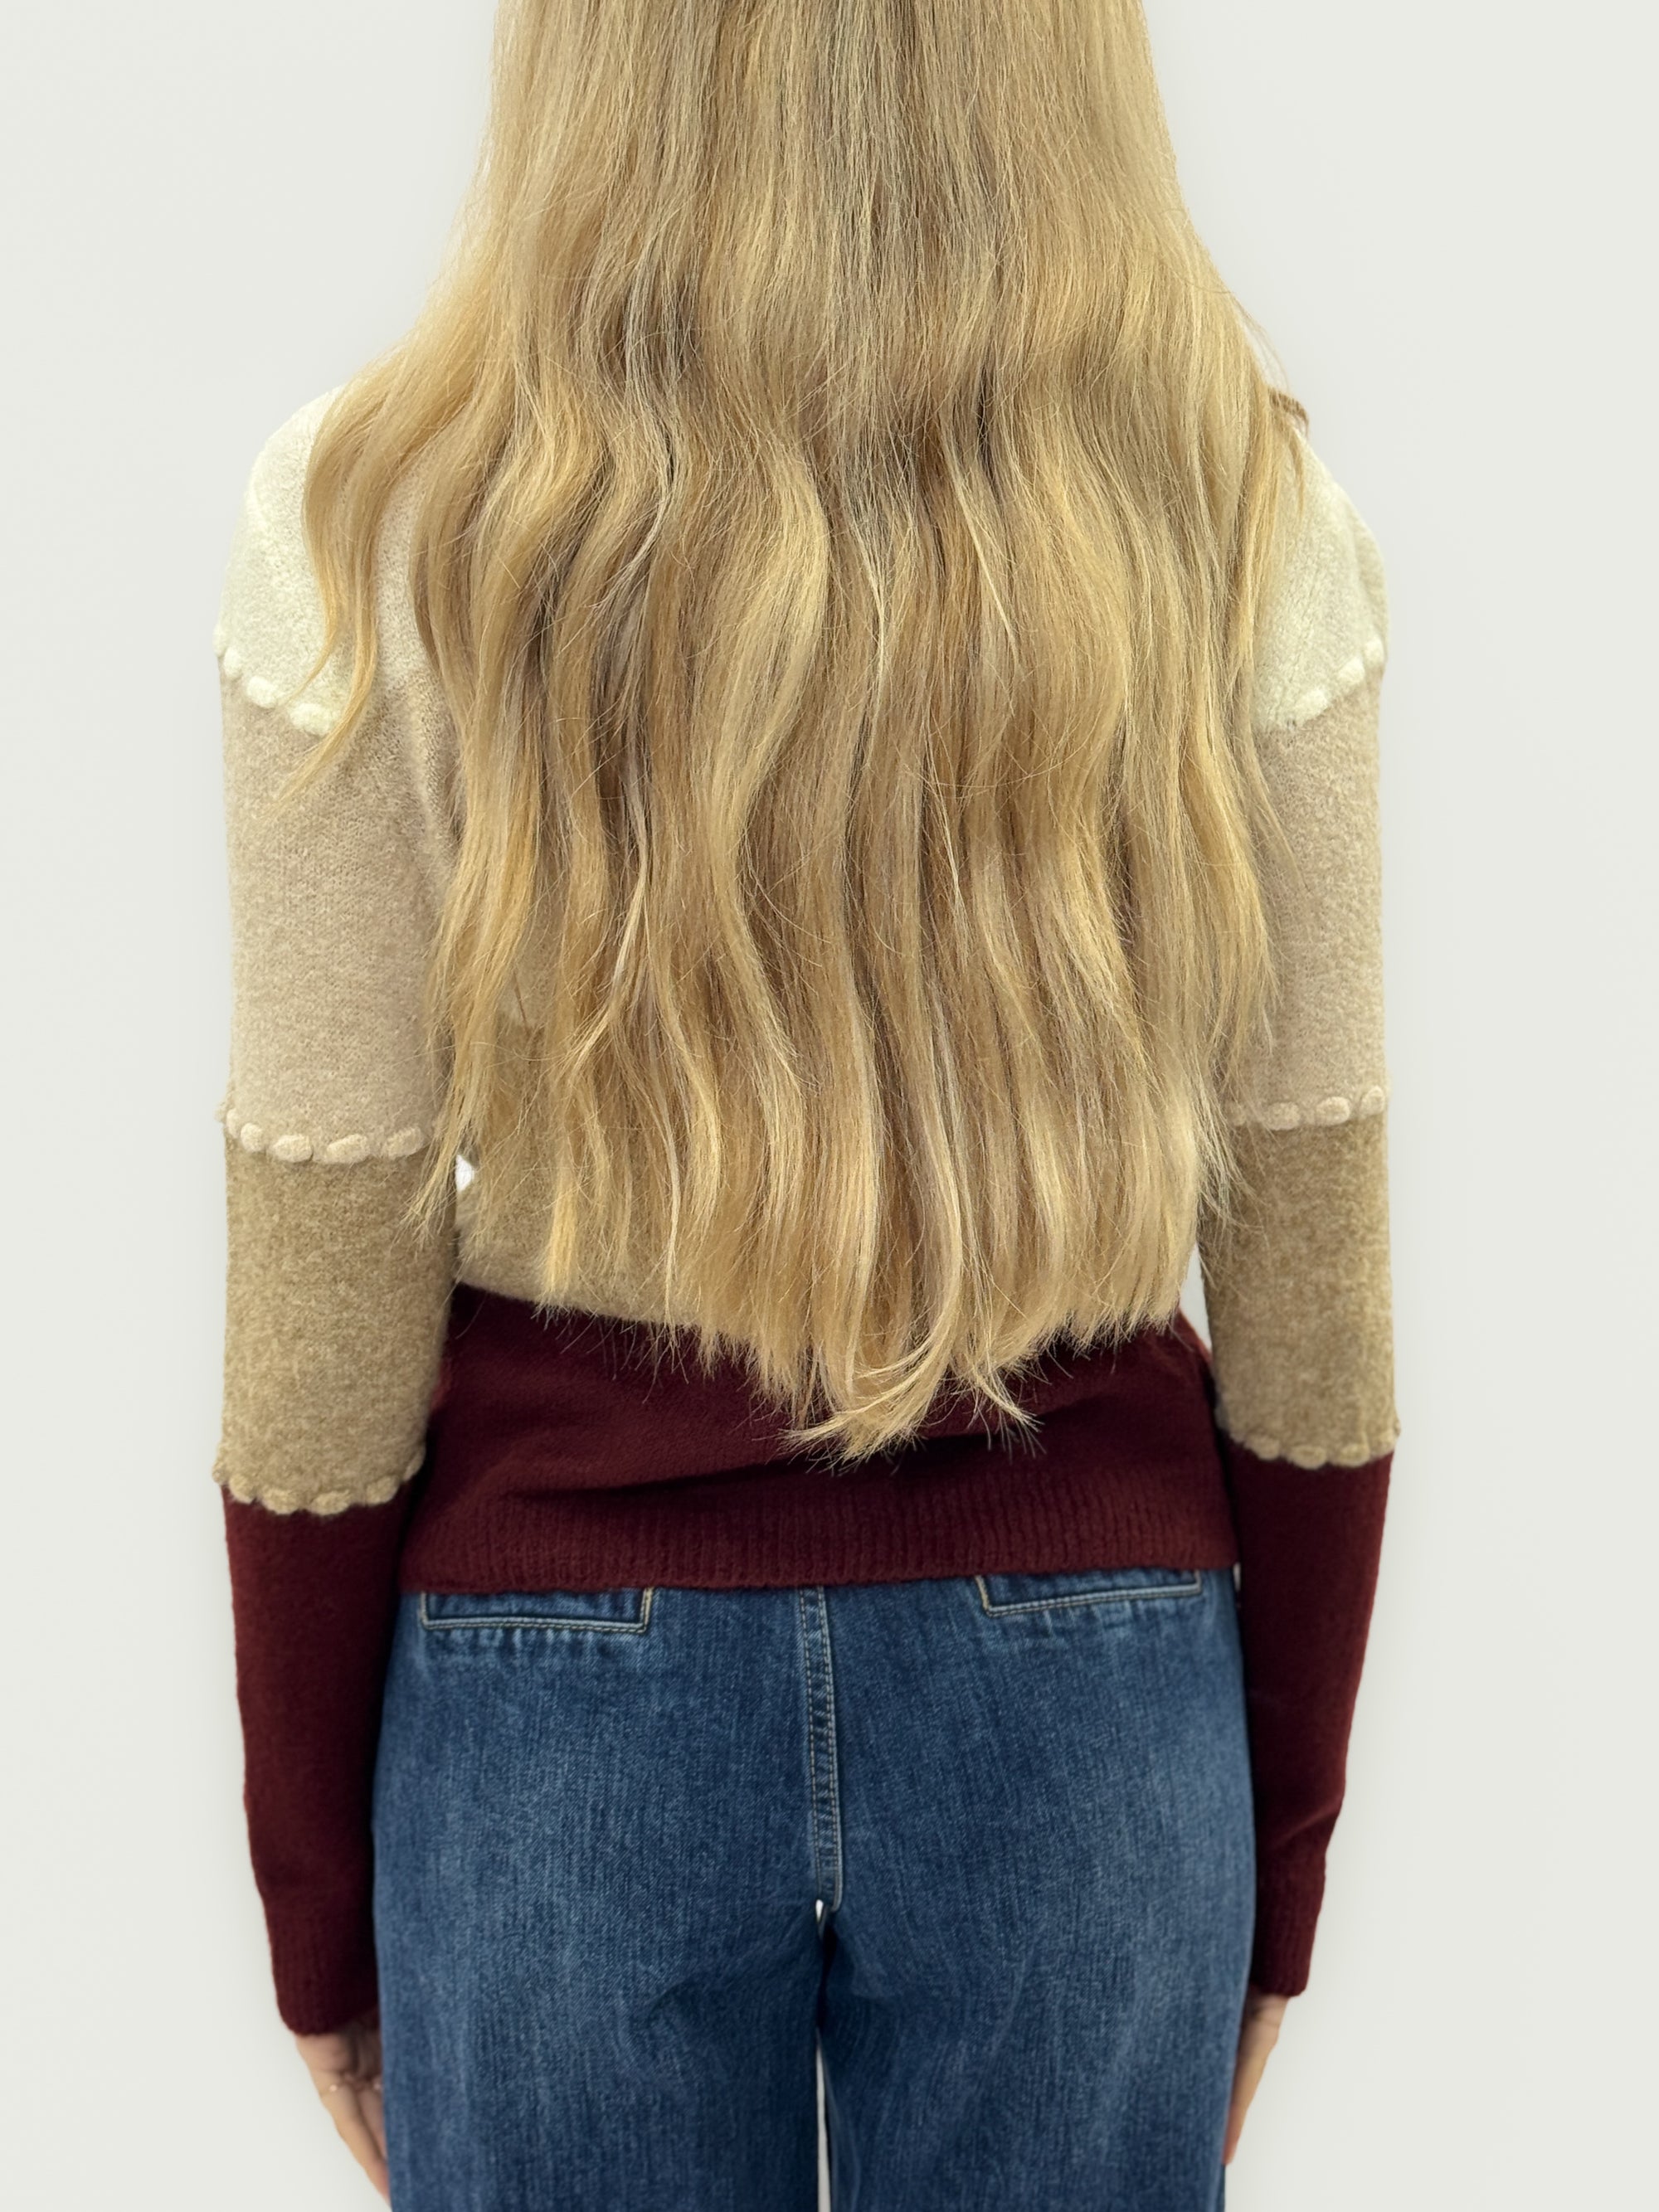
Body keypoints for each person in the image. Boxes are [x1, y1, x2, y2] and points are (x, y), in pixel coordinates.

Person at [210, 2, 1396, 2205]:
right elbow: (1310, 1251)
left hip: (558, 1696)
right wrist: (1278, 1866)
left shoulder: (383, 523)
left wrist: (320, 1906)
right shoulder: (1238, 515)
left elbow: (324, 1266)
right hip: (1089, 1684)